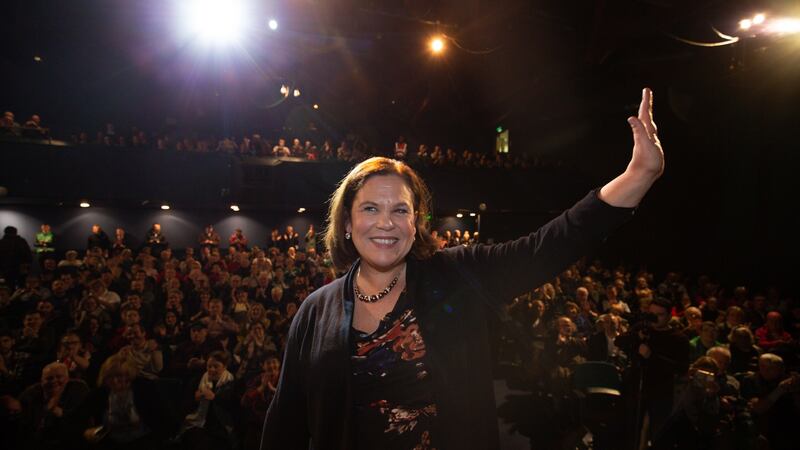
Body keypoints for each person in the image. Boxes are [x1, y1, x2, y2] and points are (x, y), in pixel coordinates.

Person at [261, 88, 666, 449]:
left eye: (400, 210)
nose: (386, 223)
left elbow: (547, 247)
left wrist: (638, 175)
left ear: (416, 223)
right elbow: (285, 425)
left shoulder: (457, 276)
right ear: (347, 224)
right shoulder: (315, 312)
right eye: (370, 208)